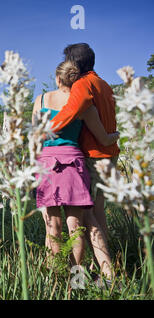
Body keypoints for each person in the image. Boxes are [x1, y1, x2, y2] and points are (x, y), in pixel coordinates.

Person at [32, 60, 118, 273]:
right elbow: (103, 138)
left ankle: (54, 279)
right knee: (75, 228)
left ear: (57, 78)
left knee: (52, 226)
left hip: (46, 163)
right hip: (73, 164)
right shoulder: (82, 104)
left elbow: (34, 137)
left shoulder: (41, 99)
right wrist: (115, 136)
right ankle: (75, 278)